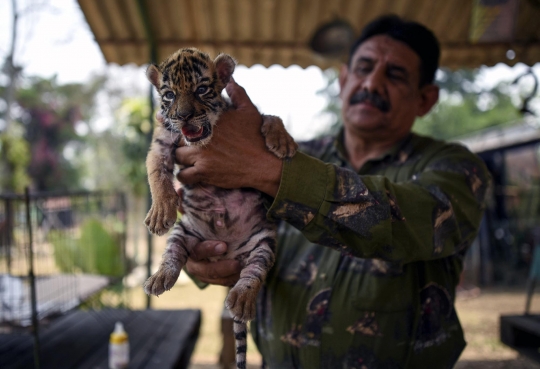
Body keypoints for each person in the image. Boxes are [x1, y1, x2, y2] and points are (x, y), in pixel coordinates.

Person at [173, 15, 491, 369]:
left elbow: (409, 221)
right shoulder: (290, 153)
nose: (372, 82)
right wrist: (206, 257)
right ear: (342, 79)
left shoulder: (456, 167)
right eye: (364, 67)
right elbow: (229, 228)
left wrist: (267, 170)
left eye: (395, 74)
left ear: (425, 99)